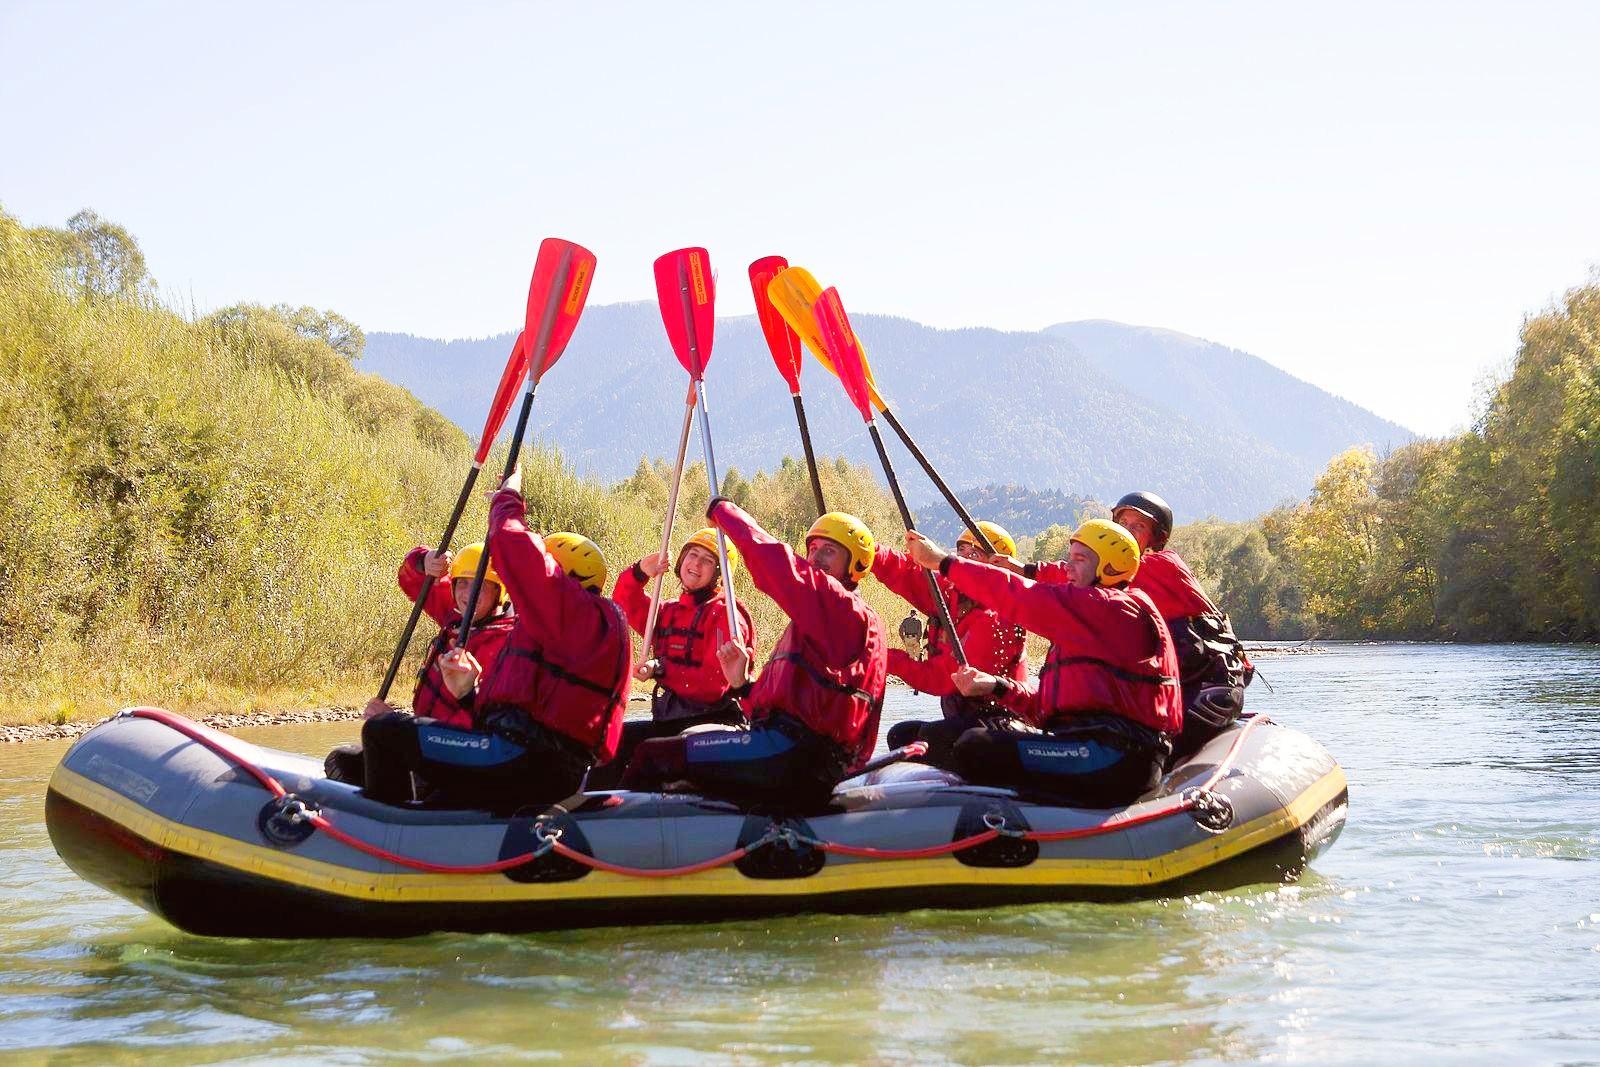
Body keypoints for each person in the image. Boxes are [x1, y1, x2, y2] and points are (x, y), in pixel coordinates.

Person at [359, 468, 632, 810]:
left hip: (523, 759)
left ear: (564, 574)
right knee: (379, 761)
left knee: (381, 731)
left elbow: (513, 542)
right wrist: (468, 695)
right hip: (534, 759)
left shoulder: (573, 614)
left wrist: (508, 498)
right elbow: (525, 708)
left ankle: (387, 830)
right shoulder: (575, 626)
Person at [621, 502, 887, 809]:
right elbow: (777, 707)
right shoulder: (818, 624)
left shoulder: (848, 615)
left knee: (653, 756)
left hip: (798, 755)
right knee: (648, 751)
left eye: (829, 551)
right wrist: (742, 685)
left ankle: (607, 835)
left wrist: (726, 514)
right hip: (789, 747)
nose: (815, 558)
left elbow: (779, 566)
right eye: (813, 549)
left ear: (856, 565)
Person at [902, 519, 1182, 807]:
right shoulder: (1083, 626)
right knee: (913, 737)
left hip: (1120, 756)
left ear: (1111, 568)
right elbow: (1047, 706)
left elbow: (1022, 596)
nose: (1067, 568)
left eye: (1079, 560)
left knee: (976, 747)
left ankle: (1002, 820)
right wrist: (996, 686)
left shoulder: (1118, 608)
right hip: (1089, 745)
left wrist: (944, 562)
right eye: (1069, 558)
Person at [1026, 493, 1252, 758]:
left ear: (1155, 538)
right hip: (1174, 686)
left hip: (1213, 683)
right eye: (1123, 524)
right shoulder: (1113, 589)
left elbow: (1078, 571)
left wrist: (1026, 570)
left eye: (1138, 526)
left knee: (1165, 743)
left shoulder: (1163, 565)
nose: (1127, 531)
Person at [323, 542, 514, 785]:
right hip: (427, 739)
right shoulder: (456, 618)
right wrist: (425, 562)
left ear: (499, 592)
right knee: (342, 761)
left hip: (459, 754)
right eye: (462, 583)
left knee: (364, 748)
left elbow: (476, 722)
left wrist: (402, 728)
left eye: (480, 585)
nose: (469, 593)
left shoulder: (507, 645)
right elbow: (411, 581)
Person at [585, 528, 756, 789]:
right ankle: (593, 803)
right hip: (672, 721)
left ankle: (630, 805)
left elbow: (713, 685)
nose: (696, 564)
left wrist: (660, 669)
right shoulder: (669, 612)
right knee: (609, 741)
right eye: (692, 555)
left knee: (651, 754)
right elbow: (624, 602)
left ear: (720, 575)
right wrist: (639, 572)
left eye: (707, 560)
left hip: (715, 723)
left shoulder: (727, 618)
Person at [876, 521, 1028, 768]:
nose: (964, 558)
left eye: (975, 554)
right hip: (965, 721)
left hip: (1000, 725)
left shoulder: (998, 619)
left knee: (933, 737)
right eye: (961, 551)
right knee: (901, 736)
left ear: (997, 567)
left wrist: (882, 657)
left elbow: (943, 679)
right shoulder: (951, 595)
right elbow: (907, 574)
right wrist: (869, 552)